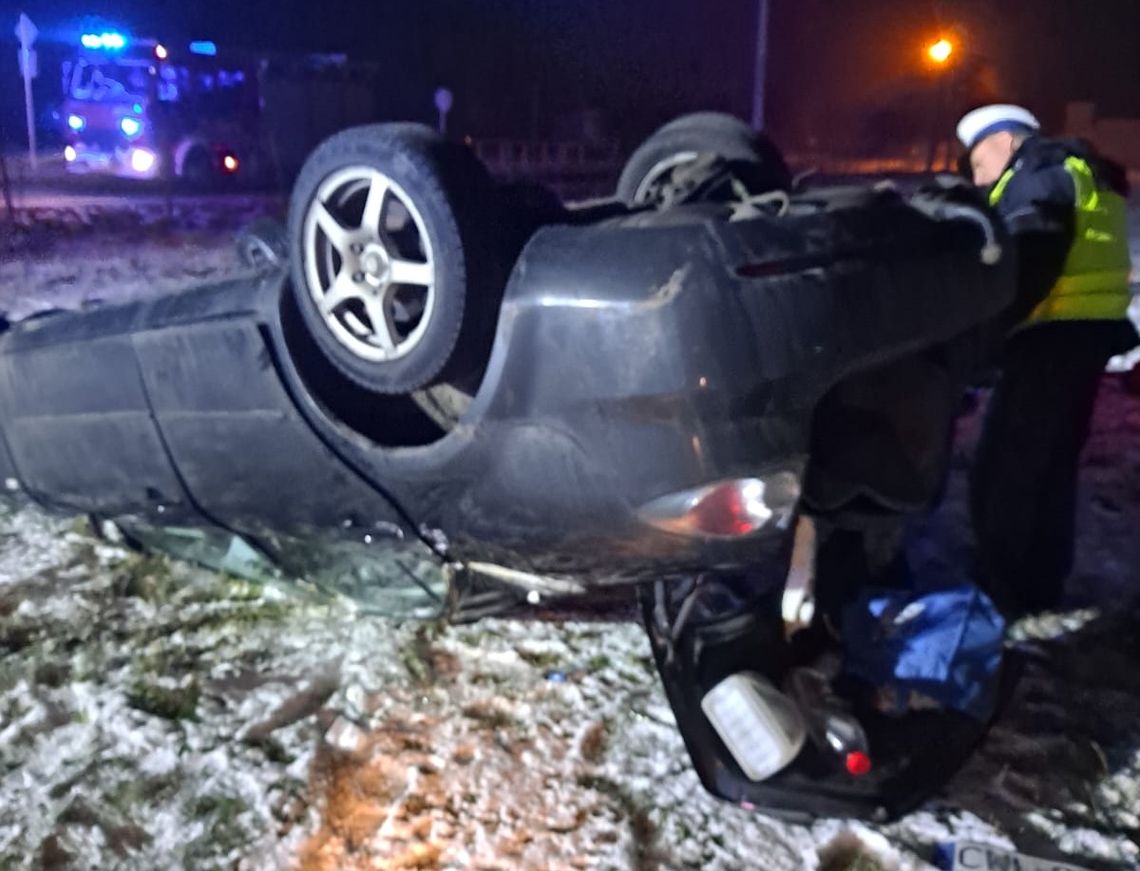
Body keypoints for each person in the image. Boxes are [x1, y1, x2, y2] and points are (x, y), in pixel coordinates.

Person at [956, 104, 1138, 615]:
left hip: (1047, 340)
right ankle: (1039, 585)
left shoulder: (1037, 172)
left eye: (979, 160)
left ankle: (999, 594)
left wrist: (987, 341)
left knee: (1002, 474)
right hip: (1086, 339)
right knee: (1051, 472)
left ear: (1009, 143)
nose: (977, 175)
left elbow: (1033, 256)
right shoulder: (1082, 171)